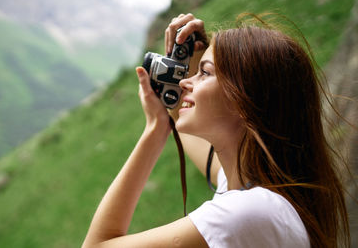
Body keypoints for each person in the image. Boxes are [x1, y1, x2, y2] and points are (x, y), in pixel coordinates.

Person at [81, 13, 350, 248]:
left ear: (245, 101)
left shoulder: (248, 213)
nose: (186, 81)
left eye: (205, 73)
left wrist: (154, 130)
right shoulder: (254, 193)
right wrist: (193, 64)